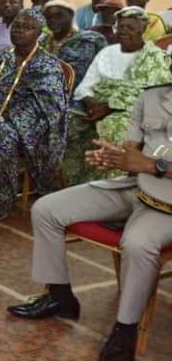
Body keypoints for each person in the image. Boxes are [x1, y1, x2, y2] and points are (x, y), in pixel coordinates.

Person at [9, 84, 172, 361]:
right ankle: (60, 297)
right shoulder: (152, 96)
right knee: (47, 209)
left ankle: (125, 330)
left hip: (166, 206)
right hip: (136, 187)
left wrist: (152, 165)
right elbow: (131, 149)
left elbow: (146, 162)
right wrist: (116, 157)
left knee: (137, 243)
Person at [0, 8, 68, 221]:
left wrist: (1, 118)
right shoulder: (2, 57)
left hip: (34, 124)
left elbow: (44, 107)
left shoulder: (46, 64)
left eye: (27, 28)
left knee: (1, 135)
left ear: (39, 33)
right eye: (17, 26)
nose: (19, 31)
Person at [64, 7, 172, 186]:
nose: (124, 32)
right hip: (97, 106)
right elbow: (85, 86)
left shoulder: (154, 57)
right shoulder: (107, 52)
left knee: (115, 127)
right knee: (67, 123)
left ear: (143, 30)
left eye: (131, 28)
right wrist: (91, 103)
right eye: (121, 27)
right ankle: (75, 183)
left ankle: (113, 184)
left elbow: (152, 94)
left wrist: (109, 107)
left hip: (134, 111)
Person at [40, 0, 107, 91]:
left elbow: (105, 70)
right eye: (49, 17)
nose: (53, 20)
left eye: (59, 16)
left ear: (71, 16)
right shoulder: (41, 41)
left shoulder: (91, 39)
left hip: (79, 96)